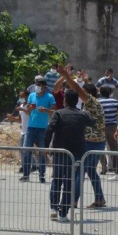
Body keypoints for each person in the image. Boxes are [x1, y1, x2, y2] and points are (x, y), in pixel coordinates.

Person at [57, 65, 106, 208]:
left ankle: (73, 201)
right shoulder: (94, 104)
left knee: (80, 172)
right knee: (90, 171)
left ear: (88, 94)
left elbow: (77, 89)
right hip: (98, 142)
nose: (80, 95)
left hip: (91, 143)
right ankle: (99, 199)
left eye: (83, 93)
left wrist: (67, 76)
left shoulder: (91, 102)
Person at [44, 89, 95, 222]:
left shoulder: (59, 114)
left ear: (65, 100)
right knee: (69, 183)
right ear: (77, 101)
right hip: (77, 153)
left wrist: (45, 147)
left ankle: (54, 208)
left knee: (57, 180)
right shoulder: (82, 114)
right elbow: (93, 122)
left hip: (60, 153)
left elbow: (50, 129)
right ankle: (63, 213)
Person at [21, 76, 56, 183]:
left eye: (39, 85)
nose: (37, 87)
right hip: (31, 127)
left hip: (43, 128)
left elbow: (54, 111)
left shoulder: (49, 97)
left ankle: (42, 175)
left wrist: (46, 110)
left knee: (42, 152)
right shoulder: (31, 96)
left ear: (44, 86)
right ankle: (26, 174)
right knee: (27, 151)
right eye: (36, 85)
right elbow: (27, 112)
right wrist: (29, 109)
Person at [98, 86, 118, 174]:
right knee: (114, 147)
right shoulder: (115, 101)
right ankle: (116, 167)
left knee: (100, 147)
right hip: (112, 126)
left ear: (100, 93)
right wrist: (114, 113)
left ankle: (104, 167)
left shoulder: (98, 102)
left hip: (101, 127)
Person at [6, 90, 30, 173]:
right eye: (20, 96)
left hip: (29, 130)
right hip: (23, 131)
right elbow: (20, 119)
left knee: (24, 149)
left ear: (27, 96)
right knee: (22, 149)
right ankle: (32, 165)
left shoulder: (29, 106)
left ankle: (26, 167)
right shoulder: (21, 106)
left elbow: (29, 114)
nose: (20, 98)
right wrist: (12, 117)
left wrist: (22, 109)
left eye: (22, 96)